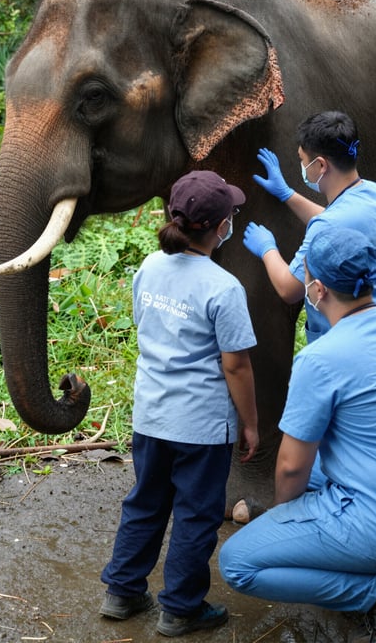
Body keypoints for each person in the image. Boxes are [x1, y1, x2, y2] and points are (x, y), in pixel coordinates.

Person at [219, 227, 376, 643]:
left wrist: (289, 521)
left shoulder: (320, 358)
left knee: (239, 563)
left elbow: (291, 467)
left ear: (316, 289)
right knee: (326, 470)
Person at [100, 170, 259, 638]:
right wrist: (250, 424)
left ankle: (122, 592)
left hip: (151, 416)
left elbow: (145, 328)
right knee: (196, 513)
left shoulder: (149, 267)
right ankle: (181, 609)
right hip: (202, 428)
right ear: (219, 226)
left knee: (145, 503)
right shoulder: (223, 287)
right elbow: (237, 367)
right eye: (230, 212)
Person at [243, 110, 376, 344]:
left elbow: (289, 289)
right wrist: (288, 195)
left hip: (348, 346)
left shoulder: (326, 226)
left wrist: (268, 249)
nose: (302, 166)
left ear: (320, 165)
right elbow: (338, 220)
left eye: (302, 160)